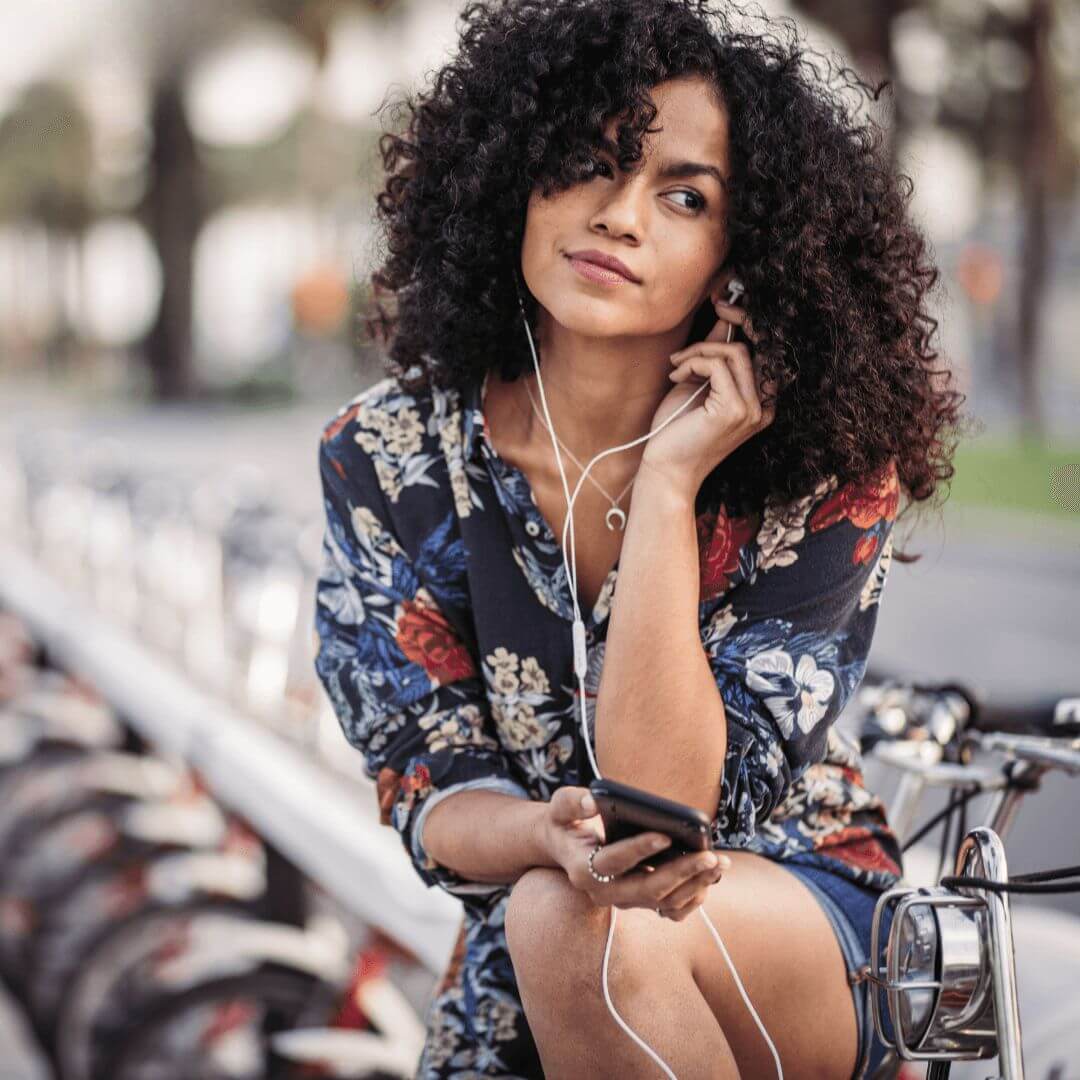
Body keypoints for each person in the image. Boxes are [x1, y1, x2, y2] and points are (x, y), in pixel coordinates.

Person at [313, 1, 967, 1076]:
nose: (620, 215)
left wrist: (669, 485)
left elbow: (679, 815)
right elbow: (426, 783)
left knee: (592, 927)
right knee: (558, 919)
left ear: (741, 254)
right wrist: (543, 837)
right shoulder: (385, 458)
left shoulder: (820, 466)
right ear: (508, 180)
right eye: (587, 161)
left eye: (684, 195)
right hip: (539, 927)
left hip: (786, 912)